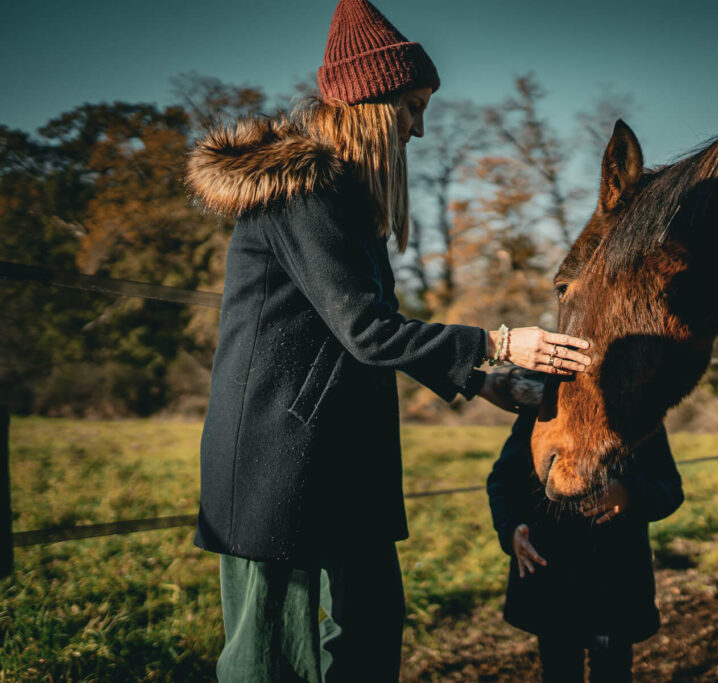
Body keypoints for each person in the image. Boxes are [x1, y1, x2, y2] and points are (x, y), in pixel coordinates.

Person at [184, 1, 591, 680]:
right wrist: (498, 343)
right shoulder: (303, 194)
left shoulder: (348, 203)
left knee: (371, 629)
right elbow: (366, 330)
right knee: (269, 656)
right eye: (412, 108)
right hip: (275, 458)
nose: (419, 129)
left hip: (340, 456)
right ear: (371, 103)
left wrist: (480, 380)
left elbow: (369, 326)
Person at [487, 373, 683, 683]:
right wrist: (510, 530)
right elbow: (503, 481)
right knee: (559, 671)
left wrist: (628, 493)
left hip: (615, 584)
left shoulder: (640, 419)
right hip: (552, 581)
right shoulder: (541, 416)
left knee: (612, 671)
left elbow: (670, 489)